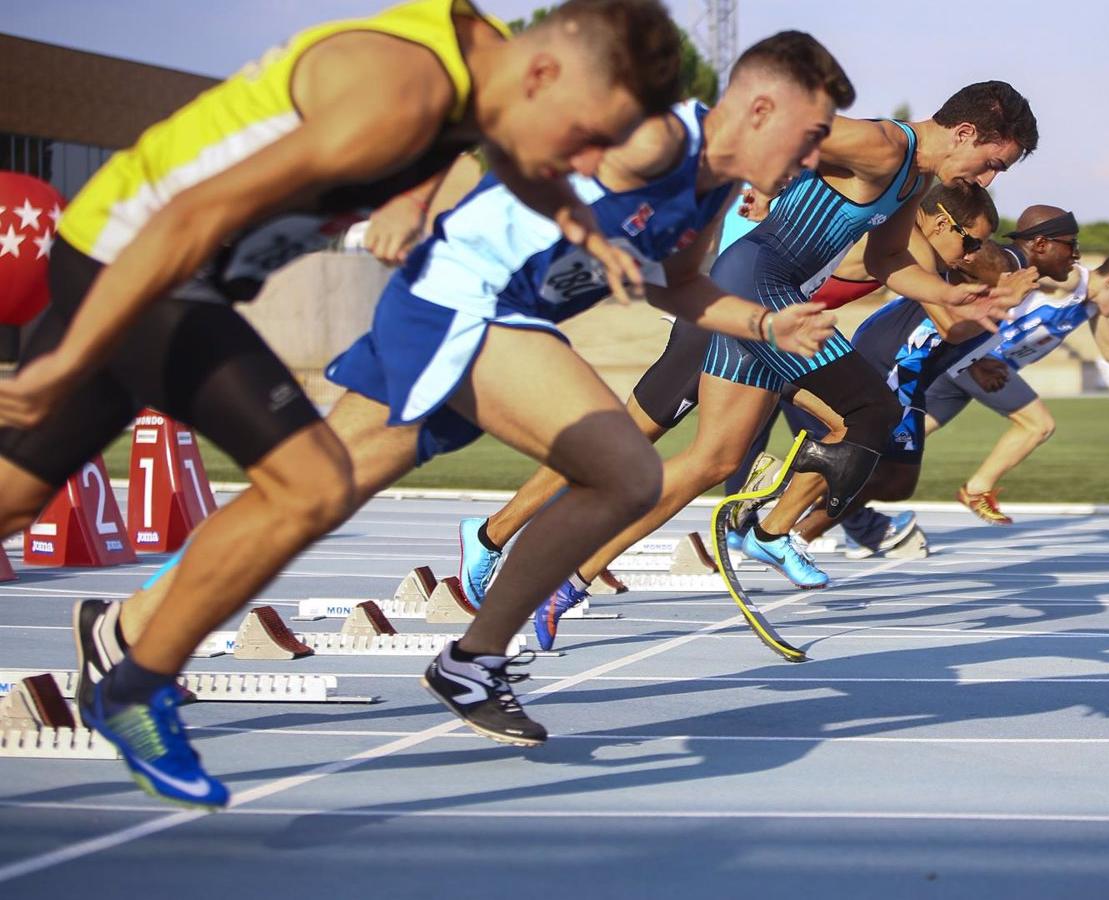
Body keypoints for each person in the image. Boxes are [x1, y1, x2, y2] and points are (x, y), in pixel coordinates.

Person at [74, 29, 851, 782]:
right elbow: (498, 113)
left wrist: (763, 322)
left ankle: (124, 631)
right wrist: (411, 194)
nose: (815, 158)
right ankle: (475, 660)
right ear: (758, 111)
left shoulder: (708, 193)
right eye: (811, 136)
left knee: (316, 492)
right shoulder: (651, 136)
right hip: (466, 301)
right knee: (624, 471)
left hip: (477, 314)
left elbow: (674, 285)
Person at [0, 0, 685, 809]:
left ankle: (121, 655)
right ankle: (132, 685)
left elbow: (518, 156)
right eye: (584, 137)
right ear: (544, 75)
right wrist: (74, 354)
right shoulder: (398, 94)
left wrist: (581, 225)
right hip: (145, 266)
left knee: (16, 492)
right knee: (314, 482)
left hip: (149, 262)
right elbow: (194, 214)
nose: (587, 159)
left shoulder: (489, 70)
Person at [519, 80, 1040, 649]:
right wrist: (765, 183)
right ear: (965, 133)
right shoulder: (885, 146)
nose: (987, 181)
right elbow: (786, 122)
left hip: (766, 287)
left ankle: (568, 578)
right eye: (993, 164)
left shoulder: (912, 178)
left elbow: (890, 259)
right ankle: (770, 531)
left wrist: (957, 297)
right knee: (872, 410)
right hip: (757, 282)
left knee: (713, 460)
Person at [453, 178, 1009, 605]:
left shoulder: (917, 242)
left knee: (847, 421)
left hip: (772, 332)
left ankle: (769, 528)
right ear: (937, 221)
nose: (967, 256)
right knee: (625, 446)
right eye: (969, 242)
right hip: (729, 322)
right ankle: (491, 535)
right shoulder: (903, 237)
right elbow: (945, 310)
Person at [792, 209, 1109, 541]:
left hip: (944, 368)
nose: (1077, 255)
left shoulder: (1078, 301)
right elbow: (984, 261)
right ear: (1044, 244)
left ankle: (785, 515)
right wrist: (981, 256)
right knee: (1036, 425)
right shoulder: (1049, 276)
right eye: (1072, 246)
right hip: (921, 360)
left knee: (884, 466)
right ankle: (786, 529)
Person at [929, 251, 1109, 525]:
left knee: (907, 434)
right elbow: (1032, 265)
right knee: (1038, 425)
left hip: (969, 364)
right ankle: (976, 490)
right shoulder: (1072, 279)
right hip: (983, 360)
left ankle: (863, 480)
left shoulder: (1093, 307)